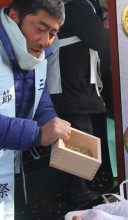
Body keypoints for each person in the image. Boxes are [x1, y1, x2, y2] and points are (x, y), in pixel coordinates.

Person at [0, 0, 72, 218]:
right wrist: (38, 134)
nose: (46, 41)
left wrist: (52, 124)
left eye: (52, 33)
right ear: (14, 16)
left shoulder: (34, 53)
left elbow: (40, 100)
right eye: (40, 29)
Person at [50, 0, 113, 205]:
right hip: (73, 82)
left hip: (74, 81)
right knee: (78, 135)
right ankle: (79, 191)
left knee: (79, 133)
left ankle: (85, 186)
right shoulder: (76, 6)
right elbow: (99, 39)